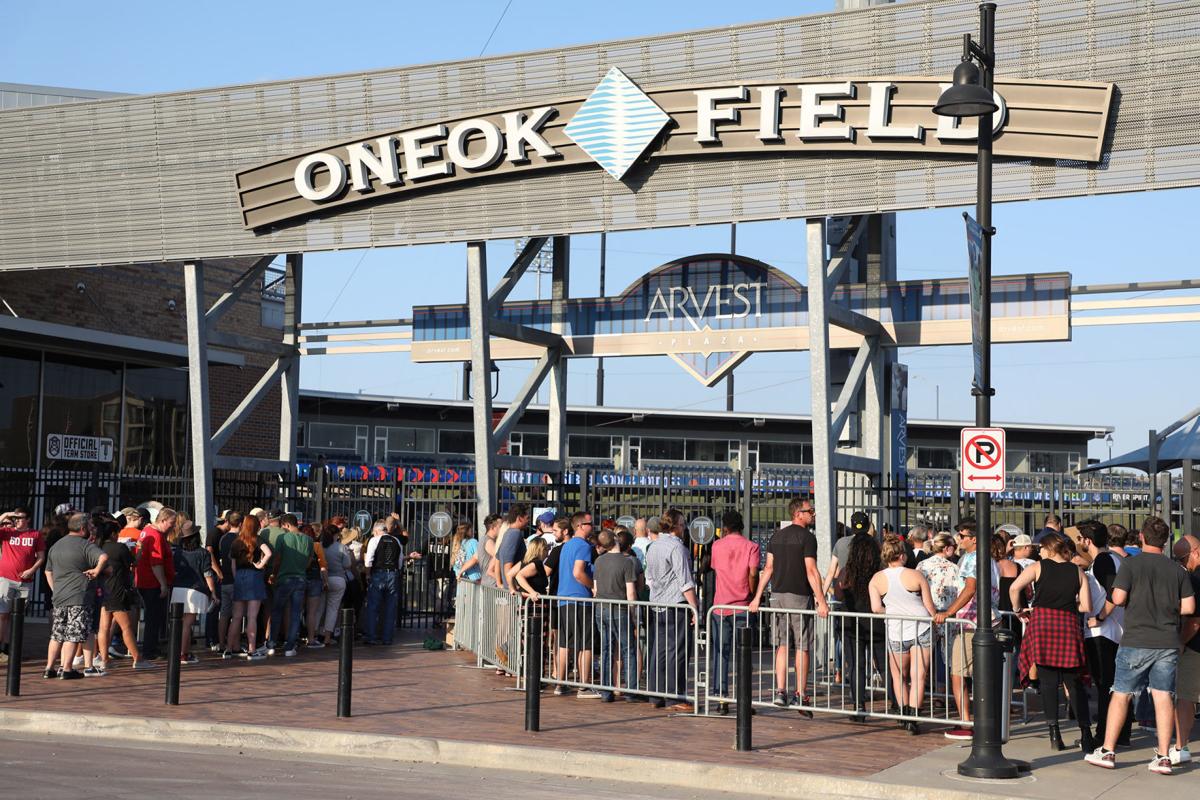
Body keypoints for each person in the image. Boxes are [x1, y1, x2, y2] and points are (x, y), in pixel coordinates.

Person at [1086, 516, 1196, 774]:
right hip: (1167, 641)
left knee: (1121, 694)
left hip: (1136, 638)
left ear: (1143, 538)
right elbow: (1189, 607)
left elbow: (1118, 598)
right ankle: (1164, 755)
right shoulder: (1177, 570)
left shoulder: (1130, 565)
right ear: (1165, 541)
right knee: (1163, 695)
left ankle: (1108, 750)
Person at [1010, 534, 1092, 752]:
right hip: (1068, 625)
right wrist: (1069, 603)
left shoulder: (1037, 567)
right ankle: (1086, 733)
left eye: (1041, 549)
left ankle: (1055, 734)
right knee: (1074, 682)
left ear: (1048, 549)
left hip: (1042, 623)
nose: (1039, 552)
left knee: (1048, 681)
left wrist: (1018, 610)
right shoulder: (1077, 571)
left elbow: (1014, 588)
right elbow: (1086, 606)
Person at [748, 498, 828, 716]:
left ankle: (780, 691)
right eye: (810, 510)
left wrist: (757, 598)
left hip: (777, 596)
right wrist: (821, 600)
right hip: (799, 595)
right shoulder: (807, 538)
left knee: (782, 645)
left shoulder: (776, 536)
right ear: (798, 514)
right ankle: (800, 693)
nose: (813, 513)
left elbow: (768, 568)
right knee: (802, 646)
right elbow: (811, 570)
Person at [933, 517, 998, 741]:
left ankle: (966, 722)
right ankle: (984, 720)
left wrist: (949, 611)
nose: (958, 539)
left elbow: (970, 588)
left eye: (962, 535)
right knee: (983, 673)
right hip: (988, 619)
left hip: (972, 621)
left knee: (958, 674)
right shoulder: (990, 559)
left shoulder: (972, 558)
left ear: (973, 538)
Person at [870, 534, 936, 735]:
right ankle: (913, 717)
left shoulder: (876, 579)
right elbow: (929, 606)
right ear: (902, 555)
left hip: (895, 630)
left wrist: (892, 611)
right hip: (921, 626)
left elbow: (876, 608)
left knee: (899, 675)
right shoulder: (916, 575)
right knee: (918, 676)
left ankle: (903, 713)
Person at [1076, 520, 1128, 746]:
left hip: (1103, 633)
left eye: (1080, 538)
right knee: (1115, 685)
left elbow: (1114, 594)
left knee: (1105, 685)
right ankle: (1121, 733)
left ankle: (1104, 735)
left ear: (1088, 541)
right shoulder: (1112, 559)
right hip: (1113, 631)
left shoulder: (1103, 561)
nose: (1079, 542)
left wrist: (1099, 617)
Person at [645, 508, 698, 712]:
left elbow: (650, 578)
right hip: (676, 604)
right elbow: (685, 581)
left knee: (659, 650)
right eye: (682, 523)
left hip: (657, 603)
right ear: (676, 525)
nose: (684, 527)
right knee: (677, 651)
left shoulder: (653, 546)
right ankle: (674, 696)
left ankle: (656, 694)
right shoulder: (677, 547)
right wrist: (694, 608)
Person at [43, 513, 107, 679]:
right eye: (89, 526)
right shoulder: (85, 545)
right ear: (83, 528)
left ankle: (49, 668)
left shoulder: (56, 545)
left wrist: (55, 589)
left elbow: (48, 571)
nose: (91, 529)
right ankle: (67, 669)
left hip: (60, 597)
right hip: (78, 595)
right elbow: (103, 557)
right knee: (73, 633)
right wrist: (97, 570)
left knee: (57, 634)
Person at [708, 509, 759, 714]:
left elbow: (716, 569)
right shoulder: (752, 547)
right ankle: (744, 700)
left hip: (720, 606)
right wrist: (752, 592)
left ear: (725, 527)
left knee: (721, 654)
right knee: (744, 656)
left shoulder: (717, 546)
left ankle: (721, 698)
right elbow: (753, 573)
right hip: (743, 605)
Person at [95, 519, 153, 671]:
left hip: (103, 589)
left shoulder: (98, 547)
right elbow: (134, 563)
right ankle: (138, 659)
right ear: (113, 534)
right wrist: (140, 549)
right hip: (118, 590)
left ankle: (104, 659)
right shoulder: (119, 548)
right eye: (117, 533)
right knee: (126, 627)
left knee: (104, 628)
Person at [840, 533, 885, 723]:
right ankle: (898, 704)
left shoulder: (846, 572)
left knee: (856, 666)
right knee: (884, 665)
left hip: (852, 624)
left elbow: (839, 594)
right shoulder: (880, 572)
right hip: (877, 623)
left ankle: (859, 706)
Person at [554, 510, 599, 699]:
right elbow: (578, 572)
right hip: (579, 599)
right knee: (585, 645)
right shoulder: (583, 545)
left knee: (565, 643)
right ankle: (584, 686)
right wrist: (593, 587)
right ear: (580, 526)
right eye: (590, 523)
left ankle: (561, 683)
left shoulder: (567, 545)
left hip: (564, 598)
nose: (593, 526)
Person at [593, 528, 637, 703]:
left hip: (601, 607)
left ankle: (606, 691)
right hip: (620, 608)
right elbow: (631, 592)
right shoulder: (627, 562)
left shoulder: (599, 561)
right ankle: (631, 691)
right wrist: (633, 613)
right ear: (615, 539)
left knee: (606, 649)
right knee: (628, 649)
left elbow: (595, 588)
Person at [0, 507, 46, 660]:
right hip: (6, 578)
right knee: (2, 614)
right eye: (15, 518)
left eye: (21, 518)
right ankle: (1, 647)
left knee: (17, 616)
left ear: (28, 519)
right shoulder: (7, 532)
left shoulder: (35, 534)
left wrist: (32, 570)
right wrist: (6, 515)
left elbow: (41, 556)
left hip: (25, 581)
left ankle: (10, 647)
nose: (17, 520)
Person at [1171, 534, 1200, 766]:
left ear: (1195, 553)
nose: (1182, 564)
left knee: (1185, 696)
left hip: (1195, 646)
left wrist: (1181, 642)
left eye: (1182, 559)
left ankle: (1181, 747)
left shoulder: (1195, 579)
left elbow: (1194, 621)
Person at [226, 515, 272, 660]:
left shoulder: (236, 542)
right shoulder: (257, 539)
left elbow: (233, 565)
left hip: (240, 576)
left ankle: (228, 649)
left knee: (236, 617)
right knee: (252, 616)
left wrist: (237, 578)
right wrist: (260, 564)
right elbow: (269, 553)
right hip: (254, 576)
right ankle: (252, 650)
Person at [135, 506, 177, 663]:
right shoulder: (156, 536)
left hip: (145, 580)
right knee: (153, 618)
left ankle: (151, 647)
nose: (173, 526)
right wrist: (163, 584)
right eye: (171, 523)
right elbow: (156, 562)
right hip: (152, 582)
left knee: (152, 617)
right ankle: (150, 650)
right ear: (163, 520)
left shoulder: (146, 531)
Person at [172, 524, 217, 666]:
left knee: (179, 623)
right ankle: (183, 654)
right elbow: (207, 574)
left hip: (178, 589)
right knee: (187, 624)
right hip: (196, 589)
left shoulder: (178, 553)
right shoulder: (203, 553)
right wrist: (213, 592)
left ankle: (180, 652)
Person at [269, 514, 313, 657]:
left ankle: (272, 644)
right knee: (295, 614)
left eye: (283, 526)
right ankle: (290, 646)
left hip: (284, 578)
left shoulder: (282, 538)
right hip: (301, 578)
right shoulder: (308, 540)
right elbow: (309, 560)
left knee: (277, 611)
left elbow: (277, 559)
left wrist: (274, 574)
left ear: (287, 525)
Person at [363, 519, 403, 646]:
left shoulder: (374, 540)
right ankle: (387, 638)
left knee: (373, 606)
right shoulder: (396, 541)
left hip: (378, 574)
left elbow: (368, 560)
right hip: (393, 574)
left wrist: (367, 574)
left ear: (376, 531)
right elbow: (400, 561)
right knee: (390, 608)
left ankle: (371, 636)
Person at [215, 511, 242, 656]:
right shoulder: (239, 539)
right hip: (235, 580)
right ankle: (235, 645)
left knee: (224, 613)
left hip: (224, 580)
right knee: (237, 615)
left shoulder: (223, 538)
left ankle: (221, 643)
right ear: (241, 523)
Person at [301, 523, 329, 648]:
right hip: (314, 579)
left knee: (296, 610)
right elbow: (323, 565)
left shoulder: (299, 544)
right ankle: (311, 638)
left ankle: (294, 637)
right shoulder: (316, 545)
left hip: (301, 578)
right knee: (312, 612)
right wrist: (326, 581)